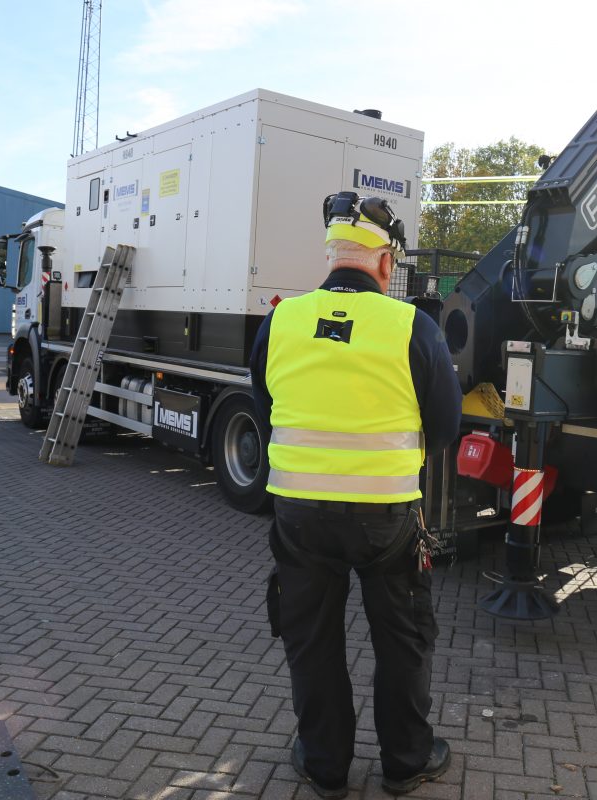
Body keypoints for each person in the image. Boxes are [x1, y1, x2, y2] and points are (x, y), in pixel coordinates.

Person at [249, 191, 462, 797]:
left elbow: (268, 411)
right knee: (402, 638)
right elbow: (445, 427)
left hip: (299, 515)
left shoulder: (281, 320)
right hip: (386, 518)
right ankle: (405, 763)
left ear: (331, 258)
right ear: (386, 264)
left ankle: (325, 766)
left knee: (311, 639)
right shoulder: (411, 326)